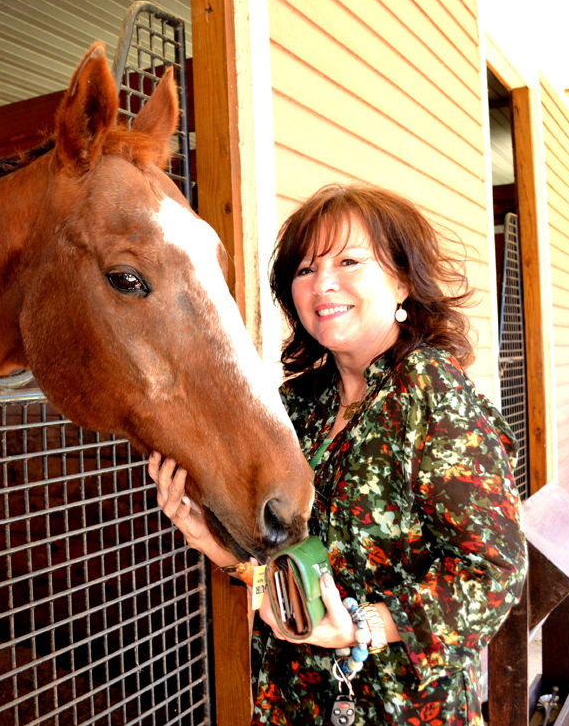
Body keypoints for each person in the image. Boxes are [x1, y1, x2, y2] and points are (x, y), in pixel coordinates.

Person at [148, 184, 527, 725]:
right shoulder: (297, 405)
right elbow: (289, 560)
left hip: (401, 708)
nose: (323, 283)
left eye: (349, 261)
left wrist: (368, 626)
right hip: (292, 699)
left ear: (400, 279)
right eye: (304, 270)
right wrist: (217, 545)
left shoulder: (431, 394)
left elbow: (495, 569)